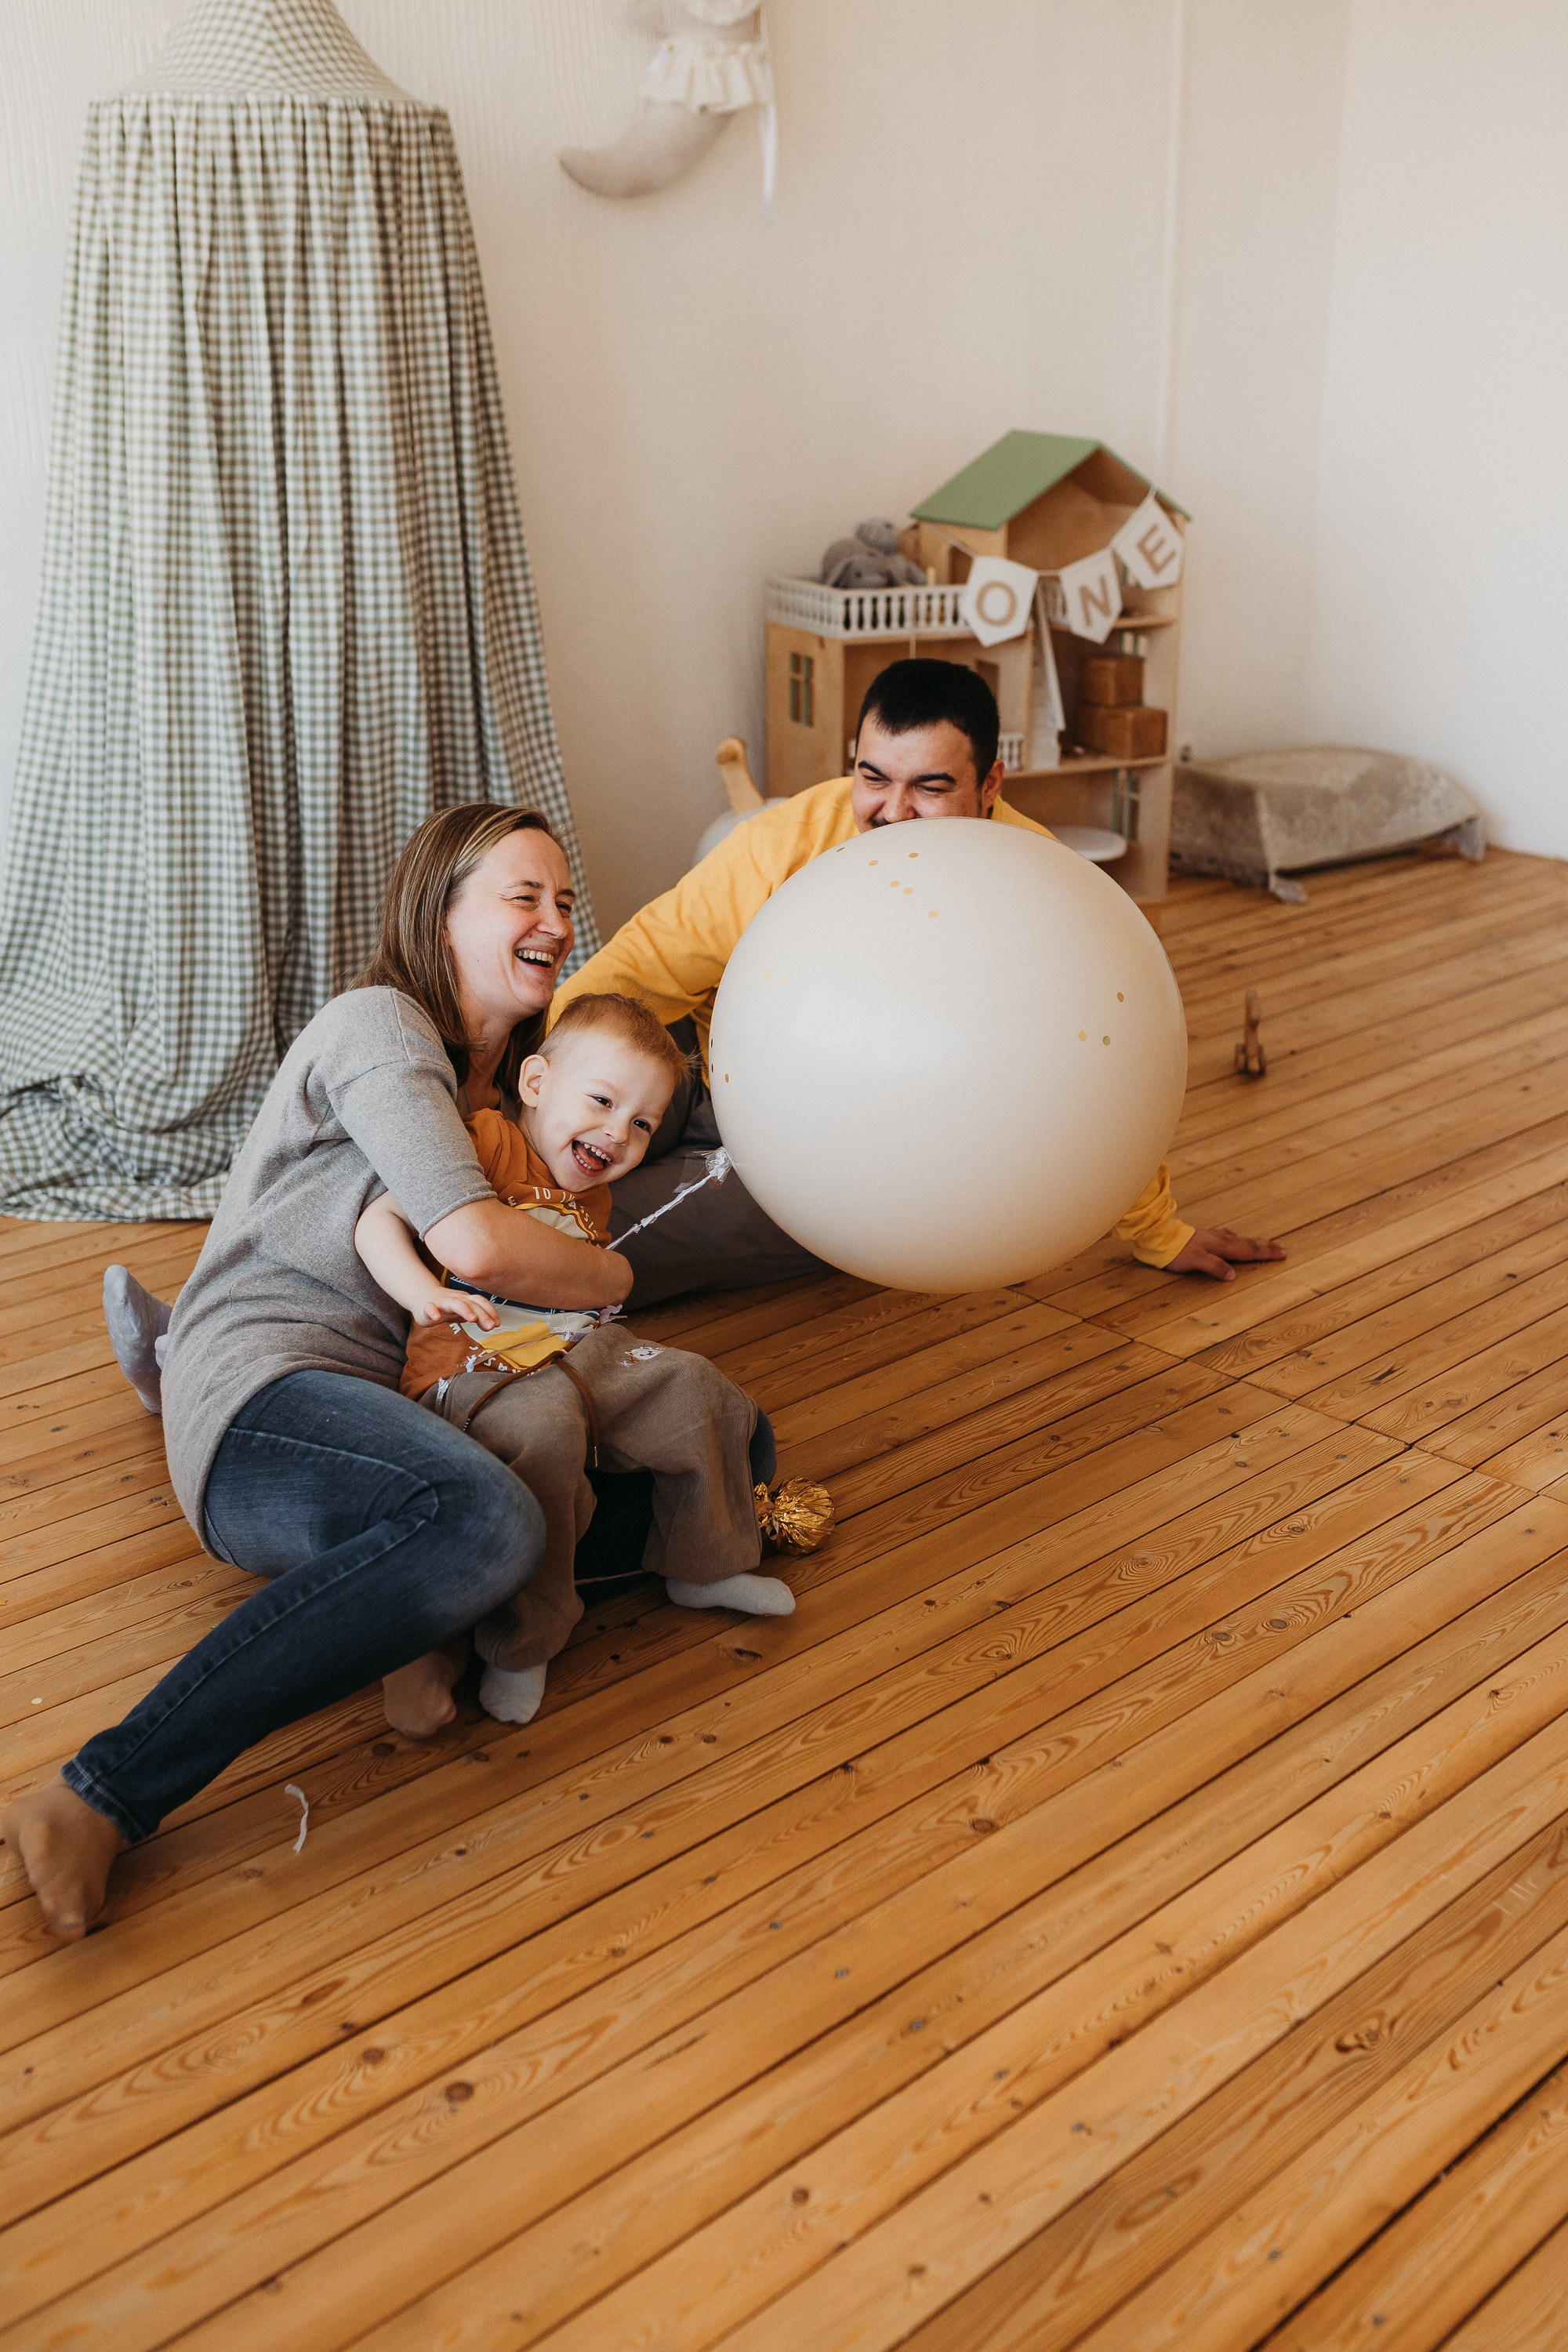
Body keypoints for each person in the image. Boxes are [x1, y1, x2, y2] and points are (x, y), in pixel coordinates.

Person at [2, 807, 641, 1940]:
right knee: (485, 1519)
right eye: (521, 896)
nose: (555, 920)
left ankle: (418, 1625)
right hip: (266, 1386)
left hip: (384, 1395)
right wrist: (612, 1273)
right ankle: (102, 1791)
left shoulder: (495, 1108)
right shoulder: (378, 1024)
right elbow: (478, 1245)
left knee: (590, 1489)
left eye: (562, 900)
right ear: (440, 913)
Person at [555, 659, 1285, 1305]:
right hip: (715, 1067)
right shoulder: (791, 836)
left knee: (566, 1235)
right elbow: (644, 964)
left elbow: (1103, 1073)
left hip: (829, 1165)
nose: (893, 811)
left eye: (930, 787)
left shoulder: (1040, 891)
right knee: (560, 1123)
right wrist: (527, 1072)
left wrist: (1159, 1231)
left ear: (990, 783)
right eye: (873, 778)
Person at [355, 988, 793, 1729]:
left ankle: (705, 1563)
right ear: (535, 1084)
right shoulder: (487, 1140)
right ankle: (523, 1643)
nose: (617, 1132)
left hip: (576, 1351)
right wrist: (420, 1294)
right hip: (473, 1365)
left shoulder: (592, 1202)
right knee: (547, 1430)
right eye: (601, 1100)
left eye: (642, 1123)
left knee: (691, 1385)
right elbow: (379, 1221)